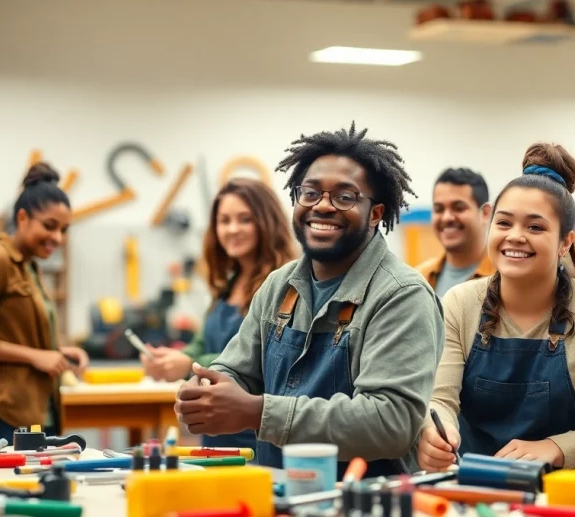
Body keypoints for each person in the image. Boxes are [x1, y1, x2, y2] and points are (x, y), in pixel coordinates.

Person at [172, 123, 445, 476]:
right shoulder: (279, 286)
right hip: (281, 492)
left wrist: (258, 412)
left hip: (361, 498)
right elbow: (236, 369)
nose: (323, 206)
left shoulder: (401, 295)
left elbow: (390, 421)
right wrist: (206, 389)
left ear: (375, 214)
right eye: (311, 193)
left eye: (345, 197)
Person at [417, 143, 575, 473]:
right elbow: (440, 399)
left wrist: (554, 449)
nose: (515, 236)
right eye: (504, 223)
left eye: (535, 227)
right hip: (485, 484)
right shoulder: (459, 304)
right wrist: (436, 432)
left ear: (565, 242)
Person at [140, 177, 297, 453]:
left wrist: (188, 365)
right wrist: (173, 358)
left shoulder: (284, 287)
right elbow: (202, 343)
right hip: (214, 434)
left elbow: (267, 359)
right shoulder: (228, 286)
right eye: (224, 221)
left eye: (244, 219)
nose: (232, 229)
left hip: (256, 439)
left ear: (267, 222)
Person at [0, 162, 89, 443]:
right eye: (49, 226)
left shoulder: (29, 268)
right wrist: (35, 356)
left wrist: (58, 352)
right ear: (22, 218)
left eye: (64, 230)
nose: (57, 238)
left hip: (37, 416)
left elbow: (15, 334)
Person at [417, 167, 495, 298]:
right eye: (439, 209)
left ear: (485, 213)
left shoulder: (503, 277)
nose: (447, 217)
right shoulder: (420, 277)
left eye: (458, 208)